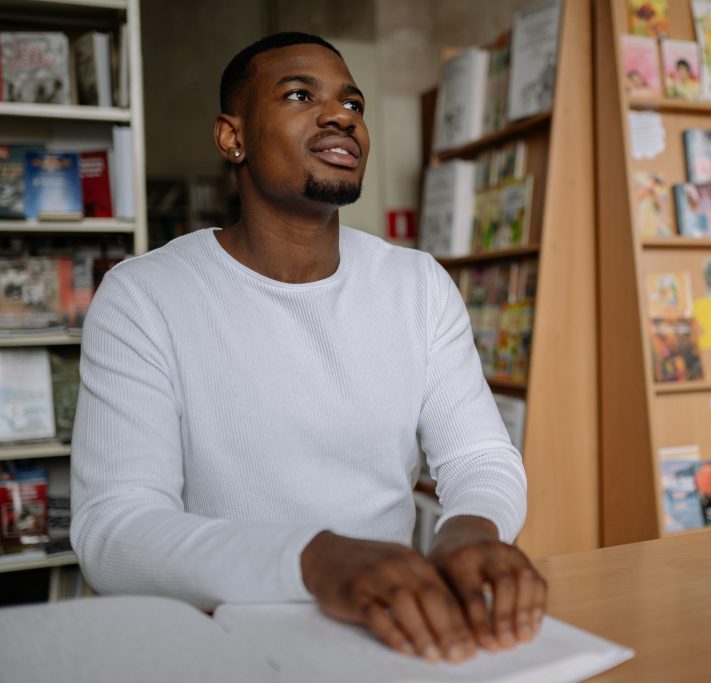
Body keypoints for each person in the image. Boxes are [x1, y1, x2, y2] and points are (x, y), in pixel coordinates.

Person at [70, 33, 544, 664]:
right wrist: (316, 560)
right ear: (230, 137)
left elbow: (481, 457)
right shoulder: (144, 296)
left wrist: (469, 532)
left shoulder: (417, 284)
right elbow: (115, 532)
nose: (341, 114)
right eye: (300, 95)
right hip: (215, 649)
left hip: (389, 638)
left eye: (355, 103)